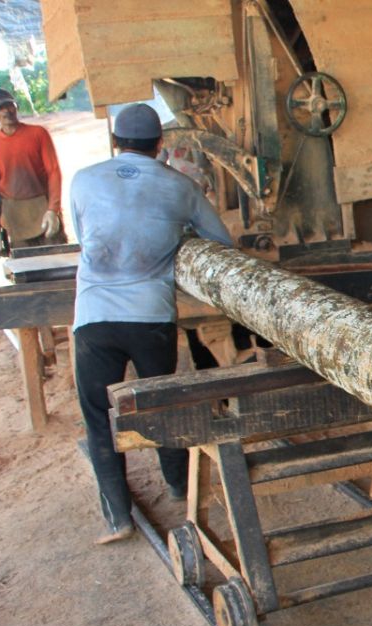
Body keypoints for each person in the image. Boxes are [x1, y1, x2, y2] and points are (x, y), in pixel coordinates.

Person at [71, 103, 233, 544]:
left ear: (115, 143)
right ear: (160, 145)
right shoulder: (179, 185)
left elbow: (84, 236)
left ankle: (118, 519)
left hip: (94, 320)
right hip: (151, 317)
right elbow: (222, 241)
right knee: (160, 405)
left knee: (98, 417)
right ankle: (180, 489)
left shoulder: (84, 180)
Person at [0, 88, 66, 256]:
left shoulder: (38, 134)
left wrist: (52, 210)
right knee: (26, 268)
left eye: (10, 106)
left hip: (43, 207)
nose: (6, 111)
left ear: (16, 107)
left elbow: (54, 172)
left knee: (57, 262)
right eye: (0, 108)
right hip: (14, 215)